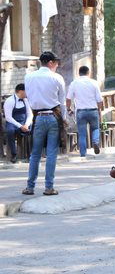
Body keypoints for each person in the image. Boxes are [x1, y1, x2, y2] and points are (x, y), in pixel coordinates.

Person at [22, 52, 66, 196]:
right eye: (56, 63)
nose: (57, 66)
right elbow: (62, 102)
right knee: (51, 153)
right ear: (51, 63)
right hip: (54, 117)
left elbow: (28, 97)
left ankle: (30, 187)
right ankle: (49, 187)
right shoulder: (57, 78)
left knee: (35, 154)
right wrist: (63, 119)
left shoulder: (29, 77)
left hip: (38, 117)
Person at [67, 66, 104, 157]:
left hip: (80, 112)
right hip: (93, 110)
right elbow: (100, 100)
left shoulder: (74, 83)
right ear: (88, 73)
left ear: (79, 73)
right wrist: (99, 110)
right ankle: (95, 142)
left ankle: (83, 154)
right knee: (95, 128)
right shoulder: (94, 83)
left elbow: (68, 99)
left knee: (82, 133)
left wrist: (69, 109)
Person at [3, 83, 33, 163]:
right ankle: (14, 154)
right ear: (20, 91)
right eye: (26, 91)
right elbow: (8, 117)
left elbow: (30, 114)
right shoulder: (10, 101)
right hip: (12, 122)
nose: (27, 93)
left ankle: (30, 154)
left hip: (24, 122)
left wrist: (27, 124)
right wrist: (20, 126)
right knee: (10, 131)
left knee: (33, 129)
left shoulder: (26, 100)